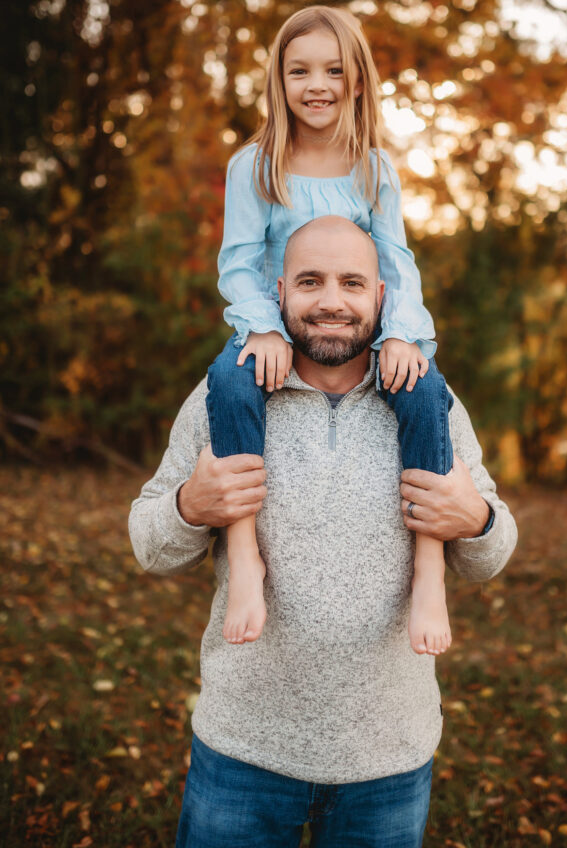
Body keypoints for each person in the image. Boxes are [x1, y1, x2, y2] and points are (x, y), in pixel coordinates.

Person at [129, 215, 518, 848]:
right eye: (310, 281)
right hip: (243, 751)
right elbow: (148, 542)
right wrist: (188, 506)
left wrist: (475, 521)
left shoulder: (429, 399)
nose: (331, 301)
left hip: (388, 759)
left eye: (352, 283)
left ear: (382, 298)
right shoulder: (222, 395)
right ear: (278, 292)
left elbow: (490, 556)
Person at [207, 4, 455, 655]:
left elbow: (395, 264)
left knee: (427, 397)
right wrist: (261, 330)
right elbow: (236, 262)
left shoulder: (373, 170)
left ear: (356, 82)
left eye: (331, 70)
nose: (315, 84)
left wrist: (401, 335)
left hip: (360, 335)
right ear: (278, 81)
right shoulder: (254, 165)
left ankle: (428, 567)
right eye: (298, 70)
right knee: (229, 393)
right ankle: (245, 557)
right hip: (274, 328)